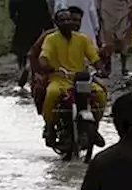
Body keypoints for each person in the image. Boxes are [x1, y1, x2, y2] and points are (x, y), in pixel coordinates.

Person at [39, 6, 107, 148]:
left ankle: (95, 127)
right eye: (62, 20)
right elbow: (44, 56)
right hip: (59, 79)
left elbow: (94, 57)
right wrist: (48, 66)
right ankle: (49, 126)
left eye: (69, 19)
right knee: (51, 94)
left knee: (100, 93)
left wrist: (101, 69)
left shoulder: (82, 39)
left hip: (81, 79)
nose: (67, 22)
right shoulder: (50, 39)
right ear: (56, 23)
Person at [10, 0, 53, 88]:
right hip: (36, 27)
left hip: (23, 25)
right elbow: (45, 14)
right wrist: (49, 28)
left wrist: (17, 21)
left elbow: (12, 12)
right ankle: (31, 75)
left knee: (22, 52)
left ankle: (24, 71)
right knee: (34, 53)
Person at [98, 0, 132, 76]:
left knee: (123, 38)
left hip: (122, 9)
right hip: (106, 9)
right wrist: (97, 8)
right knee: (107, 37)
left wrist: (131, 6)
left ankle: (124, 68)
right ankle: (107, 68)